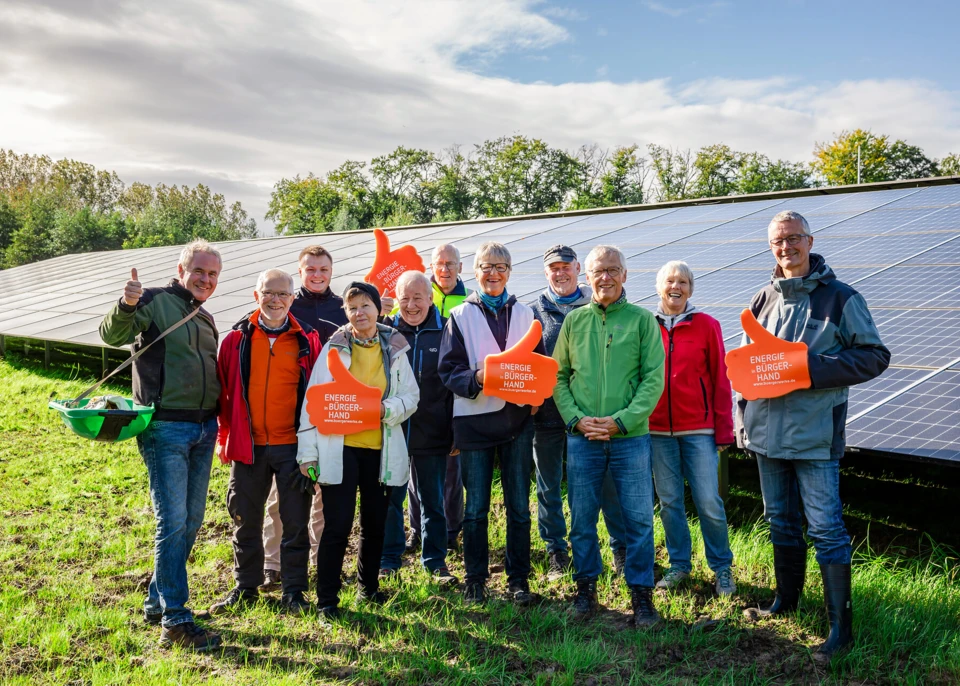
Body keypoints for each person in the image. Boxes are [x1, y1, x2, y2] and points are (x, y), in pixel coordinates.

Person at [738, 210, 889, 657]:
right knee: (779, 521)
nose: (786, 247)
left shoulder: (841, 298)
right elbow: (747, 366)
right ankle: (785, 601)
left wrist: (809, 369)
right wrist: (743, 418)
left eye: (793, 238)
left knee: (825, 528)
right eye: (778, 242)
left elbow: (874, 356)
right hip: (766, 434)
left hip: (815, 434)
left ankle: (840, 628)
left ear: (810, 240)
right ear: (771, 247)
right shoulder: (763, 299)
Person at [99, 239, 223, 651]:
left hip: (204, 429)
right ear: (182, 268)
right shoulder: (154, 301)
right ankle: (176, 619)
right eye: (199, 271)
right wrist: (127, 304)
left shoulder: (204, 316)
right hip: (166, 428)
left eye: (213, 274)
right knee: (171, 521)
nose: (206, 279)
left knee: (191, 520)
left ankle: (157, 601)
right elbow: (112, 334)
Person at [552, 245, 665, 626]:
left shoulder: (642, 321)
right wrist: (575, 419)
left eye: (613, 270)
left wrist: (621, 420)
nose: (606, 278)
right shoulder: (574, 322)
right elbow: (559, 376)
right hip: (582, 438)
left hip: (629, 438)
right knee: (581, 518)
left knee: (637, 520)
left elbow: (653, 379)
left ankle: (641, 593)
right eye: (599, 271)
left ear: (625, 275)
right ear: (587, 276)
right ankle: (585, 588)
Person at [297, 282, 419, 621]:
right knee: (336, 525)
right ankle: (327, 602)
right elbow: (313, 402)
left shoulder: (394, 347)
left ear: (378, 308)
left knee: (375, 524)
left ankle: (368, 589)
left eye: (365, 305)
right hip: (341, 448)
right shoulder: (333, 349)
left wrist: (386, 410)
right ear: (346, 313)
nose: (359, 313)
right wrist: (307, 453)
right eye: (352, 308)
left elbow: (411, 396)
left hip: (380, 449)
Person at [210, 269, 321, 617]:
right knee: (245, 518)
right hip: (249, 446)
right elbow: (223, 395)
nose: (275, 300)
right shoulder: (235, 340)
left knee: (295, 521)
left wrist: (313, 447)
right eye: (268, 293)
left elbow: (318, 396)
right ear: (256, 296)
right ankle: (246, 587)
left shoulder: (308, 340)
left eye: (283, 294)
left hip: (293, 448)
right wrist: (225, 438)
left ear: (293, 298)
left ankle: (294, 590)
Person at [438, 241, 545, 606]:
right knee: (476, 508)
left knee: (518, 506)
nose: (493, 273)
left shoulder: (527, 314)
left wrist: (535, 400)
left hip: (517, 423)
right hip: (474, 423)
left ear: (510, 272)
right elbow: (448, 371)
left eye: (501, 267)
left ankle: (518, 580)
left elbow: (541, 367)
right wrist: (478, 377)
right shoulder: (460, 316)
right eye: (486, 266)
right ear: (476, 271)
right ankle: (476, 579)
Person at [529, 245, 628, 579]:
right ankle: (556, 551)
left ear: (578, 271)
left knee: (606, 486)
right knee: (548, 486)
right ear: (546, 273)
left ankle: (620, 551)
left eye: (566, 266)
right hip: (546, 417)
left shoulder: (598, 307)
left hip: (590, 418)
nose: (560, 273)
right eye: (553, 267)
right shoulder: (532, 313)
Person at [648, 260, 736, 597]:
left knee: (708, 501)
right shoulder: (645, 325)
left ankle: (722, 568)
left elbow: (720, 379)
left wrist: (724, 430)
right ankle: (679, 566)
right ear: (659, 287)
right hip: (656, 431)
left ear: (691, 288)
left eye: (683, 281)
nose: (676, 286)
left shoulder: (707, 325)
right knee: (669, 502)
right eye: (670, 280)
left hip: (698, 429)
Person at [261, 246, 341, 591]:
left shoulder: (342, 308)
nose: (317, 275)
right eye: (310, 269)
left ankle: (321, 560)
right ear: (300, 271)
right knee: (282, 493)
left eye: (323, 269)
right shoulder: (289, 306)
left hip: (332, 411)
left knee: (325, 492)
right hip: (291, 414)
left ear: (331, 271)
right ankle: (272, 563)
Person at [379, 271, 457, 584]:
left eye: (417, 298)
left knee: (433, 501)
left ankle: (435, 562)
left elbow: (454, 385)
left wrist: (455, 431)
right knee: (390, 500)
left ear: (430, 298)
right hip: (392, 431)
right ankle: (388, 560)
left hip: (434, 432)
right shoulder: (384, 332)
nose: (411, 305)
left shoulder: (448, 332)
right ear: (397, 301)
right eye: (405, 298)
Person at [403, 243, 470, 554]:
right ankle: (418, 530)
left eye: (451, 263)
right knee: (417, 481)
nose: (445, 269)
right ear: (432, 268)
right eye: (439, 263)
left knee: (449, 477)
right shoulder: (404, 306)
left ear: (459, 267)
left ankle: (451, 529)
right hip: (410, 413)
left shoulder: (467, 302)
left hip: (442, 408)